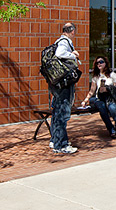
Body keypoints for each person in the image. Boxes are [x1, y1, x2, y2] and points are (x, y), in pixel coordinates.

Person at [50, 22, 81, 154]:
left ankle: (55, 140)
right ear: (72, 31)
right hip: (63, 84)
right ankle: (61, 145)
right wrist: (73, 55)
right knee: (62, 113)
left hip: (57, 84)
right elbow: (60, 53)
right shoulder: (64, 42)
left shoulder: (58, 41)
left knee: (57, 112)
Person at [81, 57, 116, 138]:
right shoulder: (96, 77)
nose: (99, 64)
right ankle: (111, 129)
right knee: (102, 109)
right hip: (99, 98)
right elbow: (92, 91)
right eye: (97, 63)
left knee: (113, 109)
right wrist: (85, 100)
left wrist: (108, 89)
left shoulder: (112, 75)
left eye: (101, 62)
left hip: (110, 98)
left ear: (105, 63)